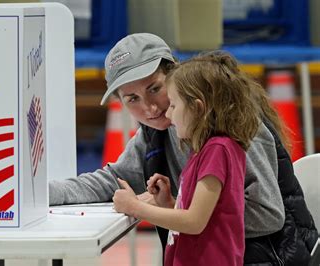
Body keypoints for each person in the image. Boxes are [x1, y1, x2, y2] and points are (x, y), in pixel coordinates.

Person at [49, 33, 317, 264]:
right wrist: (41, 193)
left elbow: (268, 215)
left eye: (155, 88)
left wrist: (170, 207)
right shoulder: (156, 132)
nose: (151, 108)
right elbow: (112, 181)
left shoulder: (236, 127)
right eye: (132, 99)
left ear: (175, 75)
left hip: (273, 257)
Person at [112, 51, 259, 265]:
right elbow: (206, 215)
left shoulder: (218, 150)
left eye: (173, 105)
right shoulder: (202, 150)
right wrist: (169, 202)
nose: (168, 114)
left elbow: (194, 222)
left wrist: (135, 207)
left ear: (197, 108)